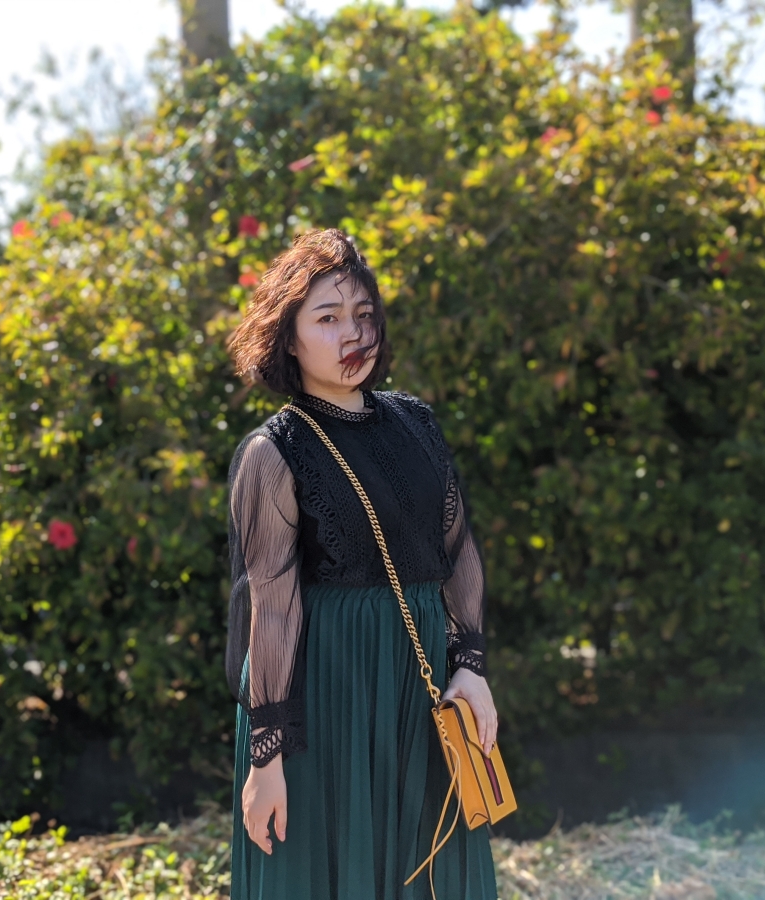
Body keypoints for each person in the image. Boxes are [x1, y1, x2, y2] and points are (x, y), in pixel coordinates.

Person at [223, 227, 500, 899]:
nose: (353, 334)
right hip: (324, 695)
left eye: (363, 313)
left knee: (430, 863)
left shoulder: (416, 423)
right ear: (289, 338)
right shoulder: (273, 452)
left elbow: (457, 548)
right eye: (327, 318)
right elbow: (272, 608)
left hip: (421, 685)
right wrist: (266, 759)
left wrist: (471, 665)